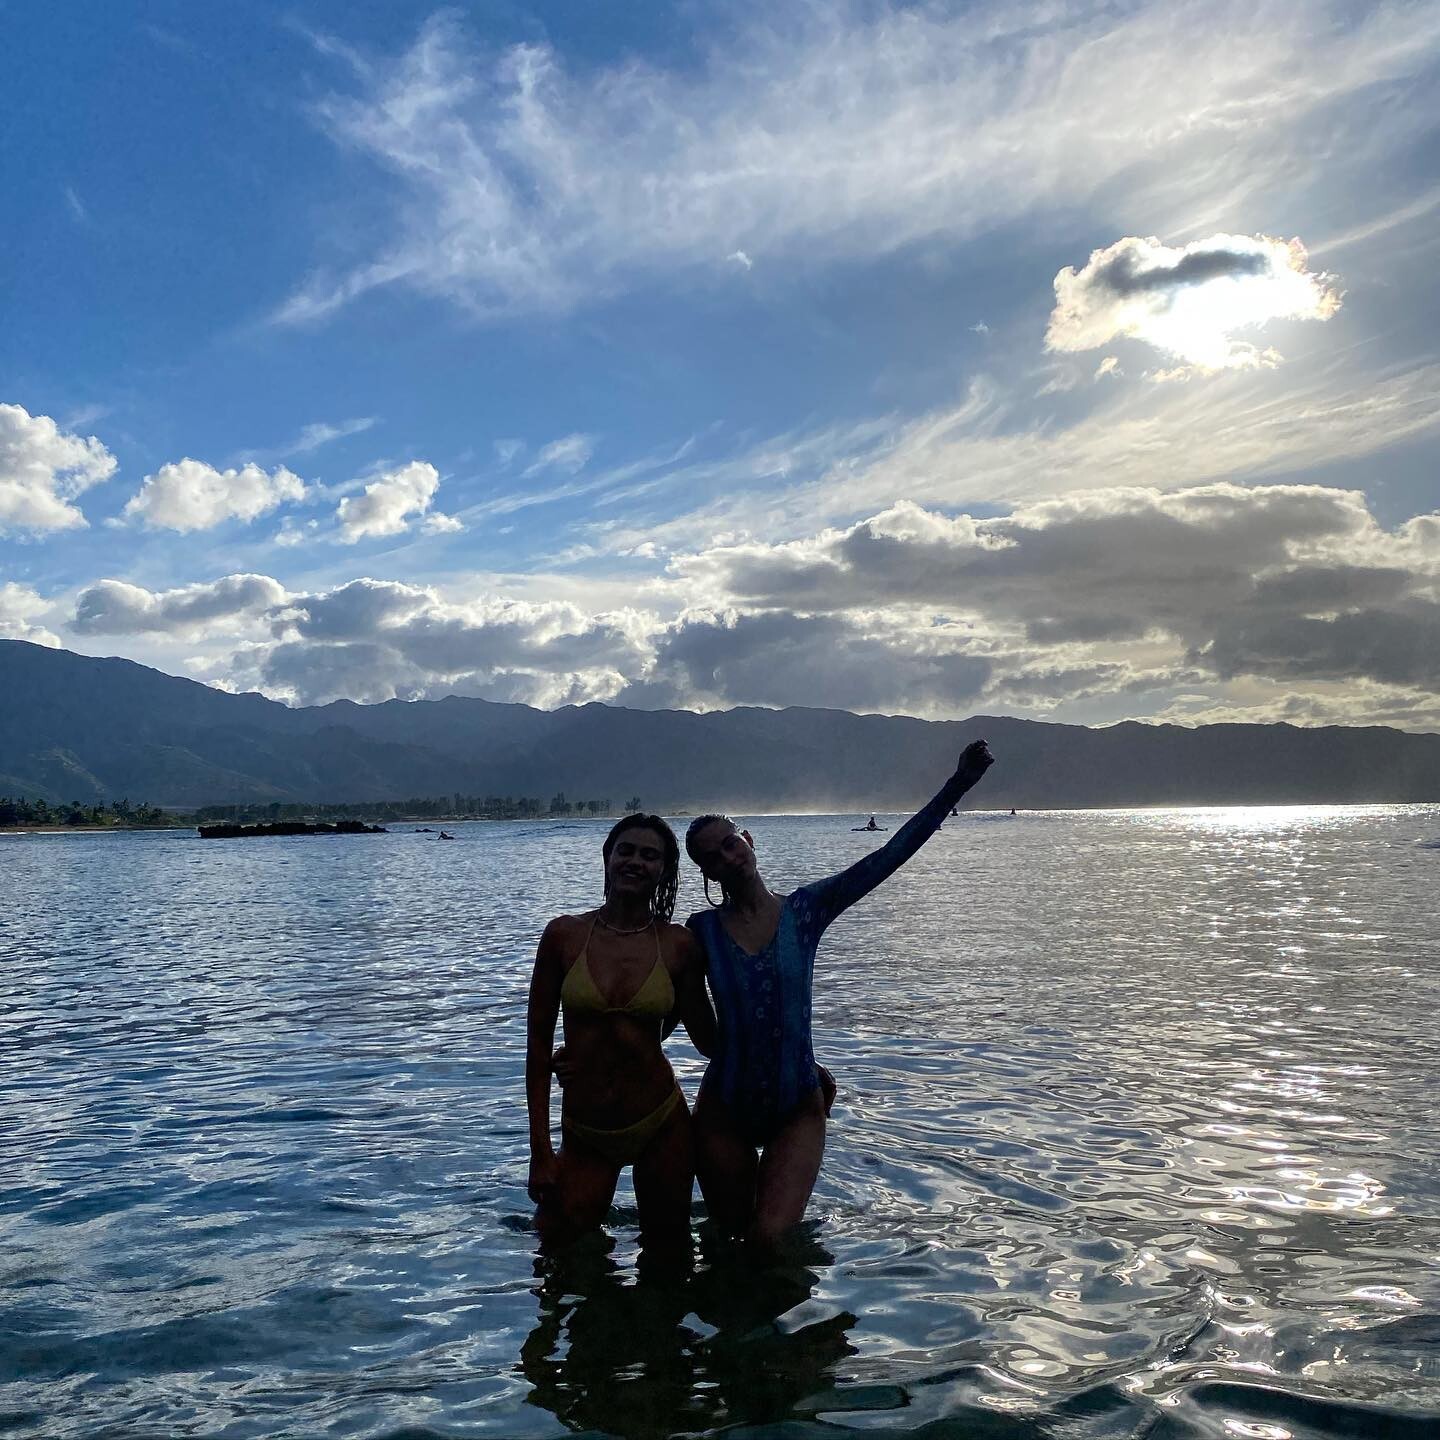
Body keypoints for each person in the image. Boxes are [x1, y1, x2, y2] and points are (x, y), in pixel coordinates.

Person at [683, 739, 994, 1246]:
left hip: (796, 1106)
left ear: (749, 840)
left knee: (769, 1239)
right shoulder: (700, 934)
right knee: (728, 1242)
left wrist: (957, 784)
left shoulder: (806, 911)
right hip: (724, 1112)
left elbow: (888, 856)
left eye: (730, 842)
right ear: (706, 872)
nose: (727, 856)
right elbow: (691, 1030)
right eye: (711, 856)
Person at [526, 814, 716, 1250]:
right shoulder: (563, 936)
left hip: (660, 1121)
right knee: (557, 1245)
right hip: (585, 1129)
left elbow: (708, 1040)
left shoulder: (678, 945)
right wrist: (540, 1152)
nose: (635, 862)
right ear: (607, 857)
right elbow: (537, 1047)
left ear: (664, 870)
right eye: (626, 850)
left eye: (650, 855)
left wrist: (795, 1057)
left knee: (669, 1254)